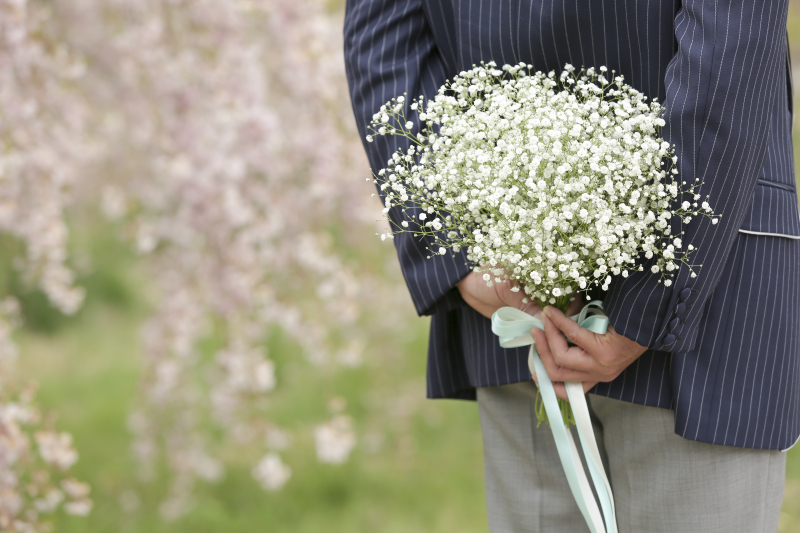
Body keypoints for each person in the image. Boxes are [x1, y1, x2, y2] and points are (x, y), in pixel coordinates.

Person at [344, 1, 799, 531]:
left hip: (609, 299)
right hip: (669, 287)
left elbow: (383, 41)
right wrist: (657, 291)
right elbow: (732, 34)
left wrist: (458, 246)